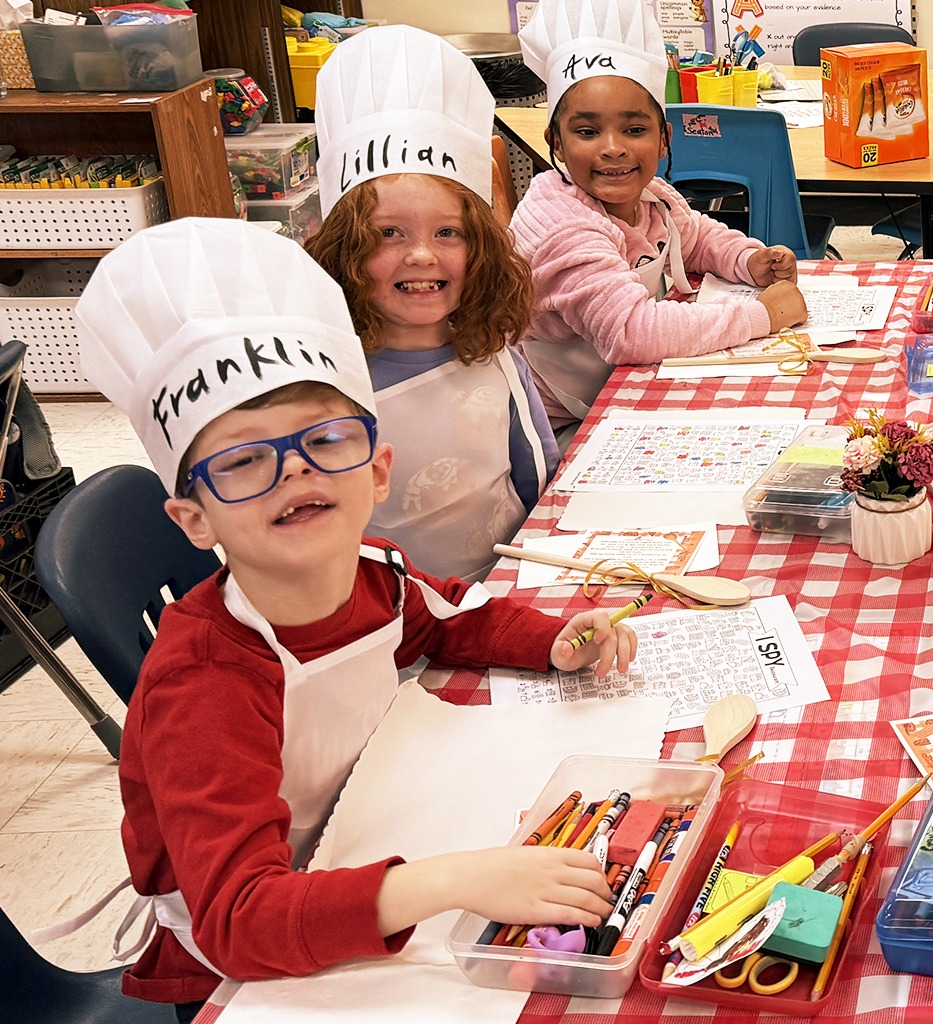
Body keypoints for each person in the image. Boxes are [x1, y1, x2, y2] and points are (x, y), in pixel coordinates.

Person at [73, 219, 640, 1018]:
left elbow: (447, 624)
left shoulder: (374, 573)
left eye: (326, 439)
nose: (295, 466)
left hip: (369, 828)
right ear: (193, 520)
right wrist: (456, 878)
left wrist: (555, 640)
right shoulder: (205, 682)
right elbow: (236, 921)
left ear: (377, 470)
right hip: (251, 967)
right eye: (241, 461)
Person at [304, 25, 558, 582]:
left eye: (448, 233)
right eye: (389, 233)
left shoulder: (495, 350)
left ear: (480, 247)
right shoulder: (321, 386)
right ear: (344, 249)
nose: (422, 255)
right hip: (390, 626)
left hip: (501, 591)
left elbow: (537, 474)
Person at [510, 0, 808, 425]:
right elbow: (631, 331)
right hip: (563, 420)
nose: (614, 147)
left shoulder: (651, 196)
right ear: (556, 143)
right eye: (587, 131)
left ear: (665, 139)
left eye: (634, 129)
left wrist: (746, 259)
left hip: (628, 384)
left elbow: (696, 236)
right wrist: (764, 314)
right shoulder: (562, 225)